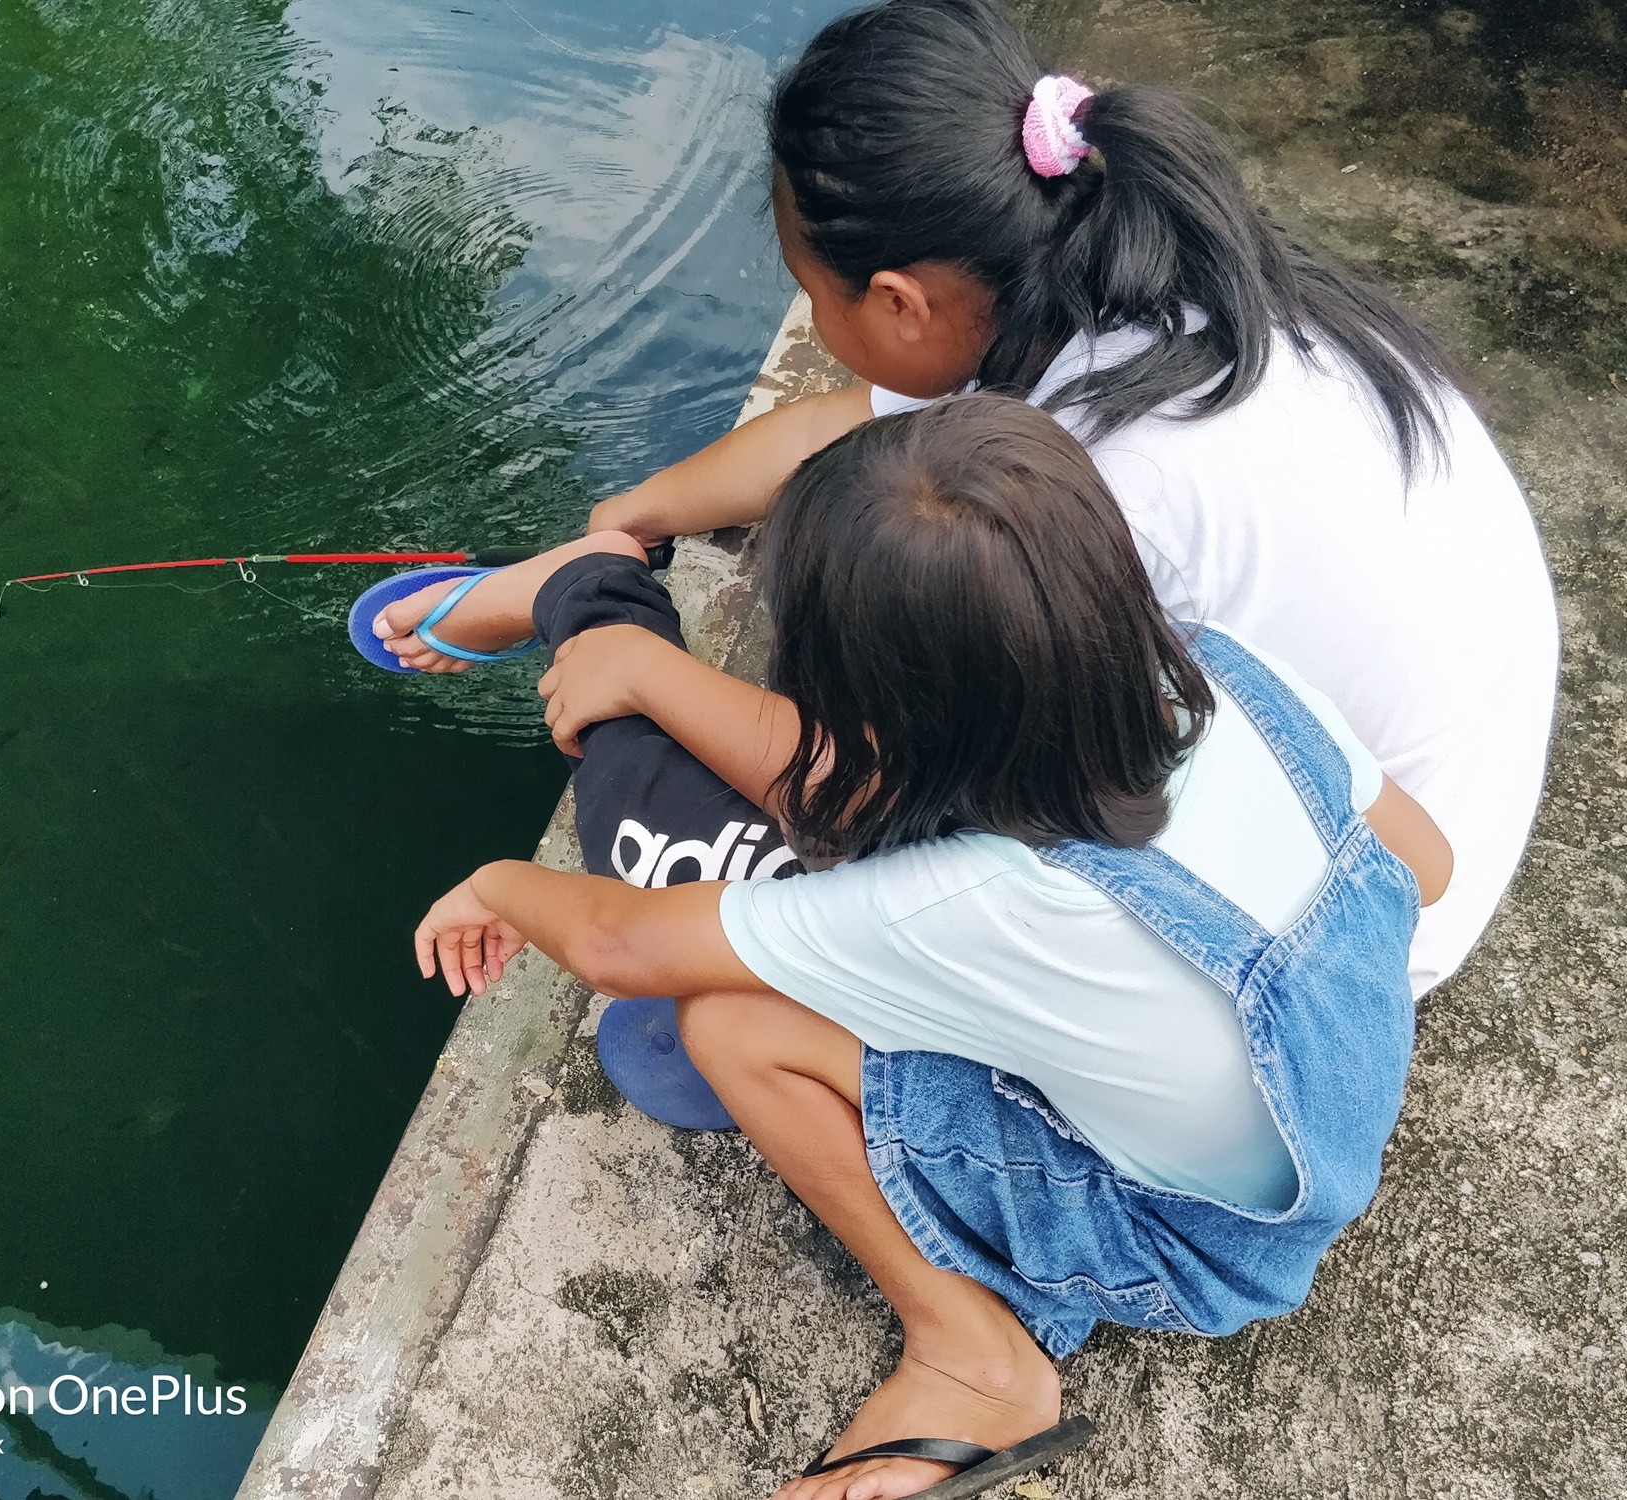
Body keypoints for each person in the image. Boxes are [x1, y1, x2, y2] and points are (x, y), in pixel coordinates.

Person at [383, 0, 1555, 997]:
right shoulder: (1121, 272)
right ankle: (586, 584)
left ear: (900, 302)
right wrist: (635, 515)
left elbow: (875, 790)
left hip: (1334, 947)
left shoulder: (1081, 496)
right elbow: (849, 420)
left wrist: (645, 672)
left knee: (737, 877)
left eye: (813, 293)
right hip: (1421, 813)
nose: (820, 323)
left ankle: (594, 612)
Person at [413, 399, 1451, 1500]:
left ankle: (975, 1361)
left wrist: (496, 885)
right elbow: (1421, 867)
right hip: (1335, 1100)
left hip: (1190, 1243)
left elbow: (619, 944)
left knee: (732, 1023)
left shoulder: (975, 901)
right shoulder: (1233, 677)